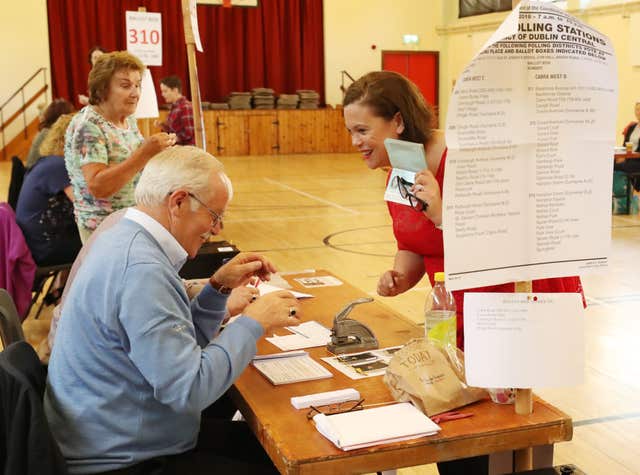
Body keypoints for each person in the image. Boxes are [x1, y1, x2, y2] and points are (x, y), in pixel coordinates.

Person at [343, 70, 584, 475]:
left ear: (398, 122)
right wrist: (401, 273)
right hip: (453, 310)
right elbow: (412, 242)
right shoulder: (400, 168)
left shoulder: (469, 160)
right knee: (460, 429)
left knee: (503, 429)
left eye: (363, 129)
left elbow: (507, 242)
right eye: (351, 131)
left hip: (505, 307)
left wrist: (443, 213)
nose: (355, 142)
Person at [45, 145, 299, 474]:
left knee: (269, 445)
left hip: (114, 432)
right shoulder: (141, 268)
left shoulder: (122, 234)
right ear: (178, 202)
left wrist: (217, 288)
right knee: (285, 458)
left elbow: (173, 350)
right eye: (214, 215)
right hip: (123, 458)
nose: (217, 229)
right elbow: (189, 389)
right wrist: (252, 323)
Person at [64, 50, 176, 243]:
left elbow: (134, 164)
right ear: (102, 88)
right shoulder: (89, 126)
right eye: (126, 86)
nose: (135, 93)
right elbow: (98, 187)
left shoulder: (128, 120)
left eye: (138, 85)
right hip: (103, 229)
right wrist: (144, 153)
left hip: (129, 220)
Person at [16, 114, 82, 266]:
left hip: (36, 242)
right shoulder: (58, 166)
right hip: (45, 247)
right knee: (99, 243)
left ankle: (63, 287)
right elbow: (84, 204)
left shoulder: (50, 162)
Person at [25, 99, 75, 169]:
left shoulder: (46, 131)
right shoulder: (52, 134)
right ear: (63, 117)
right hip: (39, 174)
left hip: (35, 172)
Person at [157, 75, 195, 145]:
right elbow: (174, 130)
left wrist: (174, 138)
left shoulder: (185, 107)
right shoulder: (175, 107)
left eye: (165, 91)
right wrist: (164, 126)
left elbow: (189, 134)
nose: (162, 94)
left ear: (175, 90)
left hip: (187, 151)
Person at [615, 101, 640, 190]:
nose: (638, 112)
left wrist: (625, 158)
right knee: (610, 163)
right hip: (628, 158)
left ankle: (623, 193)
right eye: (637, 109)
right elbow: (624, 145)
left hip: (637, 161)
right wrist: (620, 156)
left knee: (617, 166)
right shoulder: (632, 127)